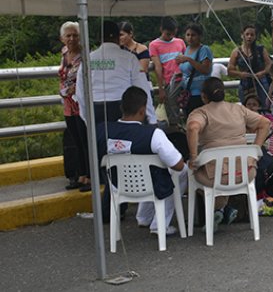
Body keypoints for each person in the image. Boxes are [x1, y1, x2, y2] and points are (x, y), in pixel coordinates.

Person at [97, 86, 187, 236]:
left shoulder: (101, 130)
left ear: (121, 107)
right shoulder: (153, 134)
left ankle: (144, 217)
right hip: (151, 185)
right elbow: (177, 165)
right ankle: (160, 224)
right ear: (142, 110)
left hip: (116, 184)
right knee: (182, 171)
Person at [187, 78, 271, 229]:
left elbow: (193, 127)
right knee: (221, 172)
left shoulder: (201, 112)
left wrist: (193, 156)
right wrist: (256, 150)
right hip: (246, 172)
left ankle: (218, 210)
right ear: (223, 93)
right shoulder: (238, 109)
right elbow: (265, 123)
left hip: (218, 176)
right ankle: (222, 209)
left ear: (203, 96)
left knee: (192, 175)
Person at [76, 20, 156, 127]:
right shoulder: (129, 58)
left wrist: (86, 117)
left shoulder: (88, 59)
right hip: (123, 108)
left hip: (95, 109)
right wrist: (152, 119)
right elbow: (142, 87)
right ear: (118, 37)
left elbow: (80, 91)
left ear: (99, 38)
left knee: (101, 142)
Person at [58, 21, 90, 191]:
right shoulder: (64, 54)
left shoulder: (85, 56)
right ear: (62, 38)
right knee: (75, 141)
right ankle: (80, 174)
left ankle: (89, 176)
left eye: (75, 35)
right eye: (68, 35)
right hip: (68, 105)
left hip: (81, 104)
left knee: (85, 140)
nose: (72, 39)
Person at [149, 17, 186, 126]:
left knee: (186, 106)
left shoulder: (180, 42)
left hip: (183, 79)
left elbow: (186, 59)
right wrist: (161, 89)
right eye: (168, 34)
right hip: (170, 82)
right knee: (172, 110)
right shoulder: (154, 45)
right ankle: (176, 131)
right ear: (161, 30)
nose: (171, 37)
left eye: (173, 34)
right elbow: (158, 67)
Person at [228, 24, 272, 106]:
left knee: (264, 106)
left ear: (255, 37)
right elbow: (230, 71)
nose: (249, 37)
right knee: (246, 107)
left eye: (252, 35)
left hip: (261, 81)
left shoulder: (261, 50)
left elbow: (269, 65)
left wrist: (262, 73)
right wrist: (240, 74)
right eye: (247, 34)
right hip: (245, 83)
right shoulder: (236, 51)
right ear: (242, 35)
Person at [175, 23, 213, 117]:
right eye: (188, 35)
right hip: (187, 92)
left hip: (199, 93)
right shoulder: (187, 49)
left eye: (193, 35)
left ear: (199, 36)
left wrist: (189, 60)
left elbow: (206, 70)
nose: (190, 38)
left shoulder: (204, 49)